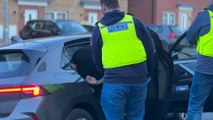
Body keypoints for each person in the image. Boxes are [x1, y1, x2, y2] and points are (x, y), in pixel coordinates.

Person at [91, 0, 155, 119]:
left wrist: (105, 73)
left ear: (104, 8)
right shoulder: (134, 22)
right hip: (139, 79)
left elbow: (96, 57)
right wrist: (148, 72)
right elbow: (150, 51)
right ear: (118, 5)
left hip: (114, 81)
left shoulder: (99, 29)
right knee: (136, 117)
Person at [186, 0, 213, 119]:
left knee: (196, 105)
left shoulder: (204, 16)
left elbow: (190, 37)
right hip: (205, 68)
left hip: (205, 68)